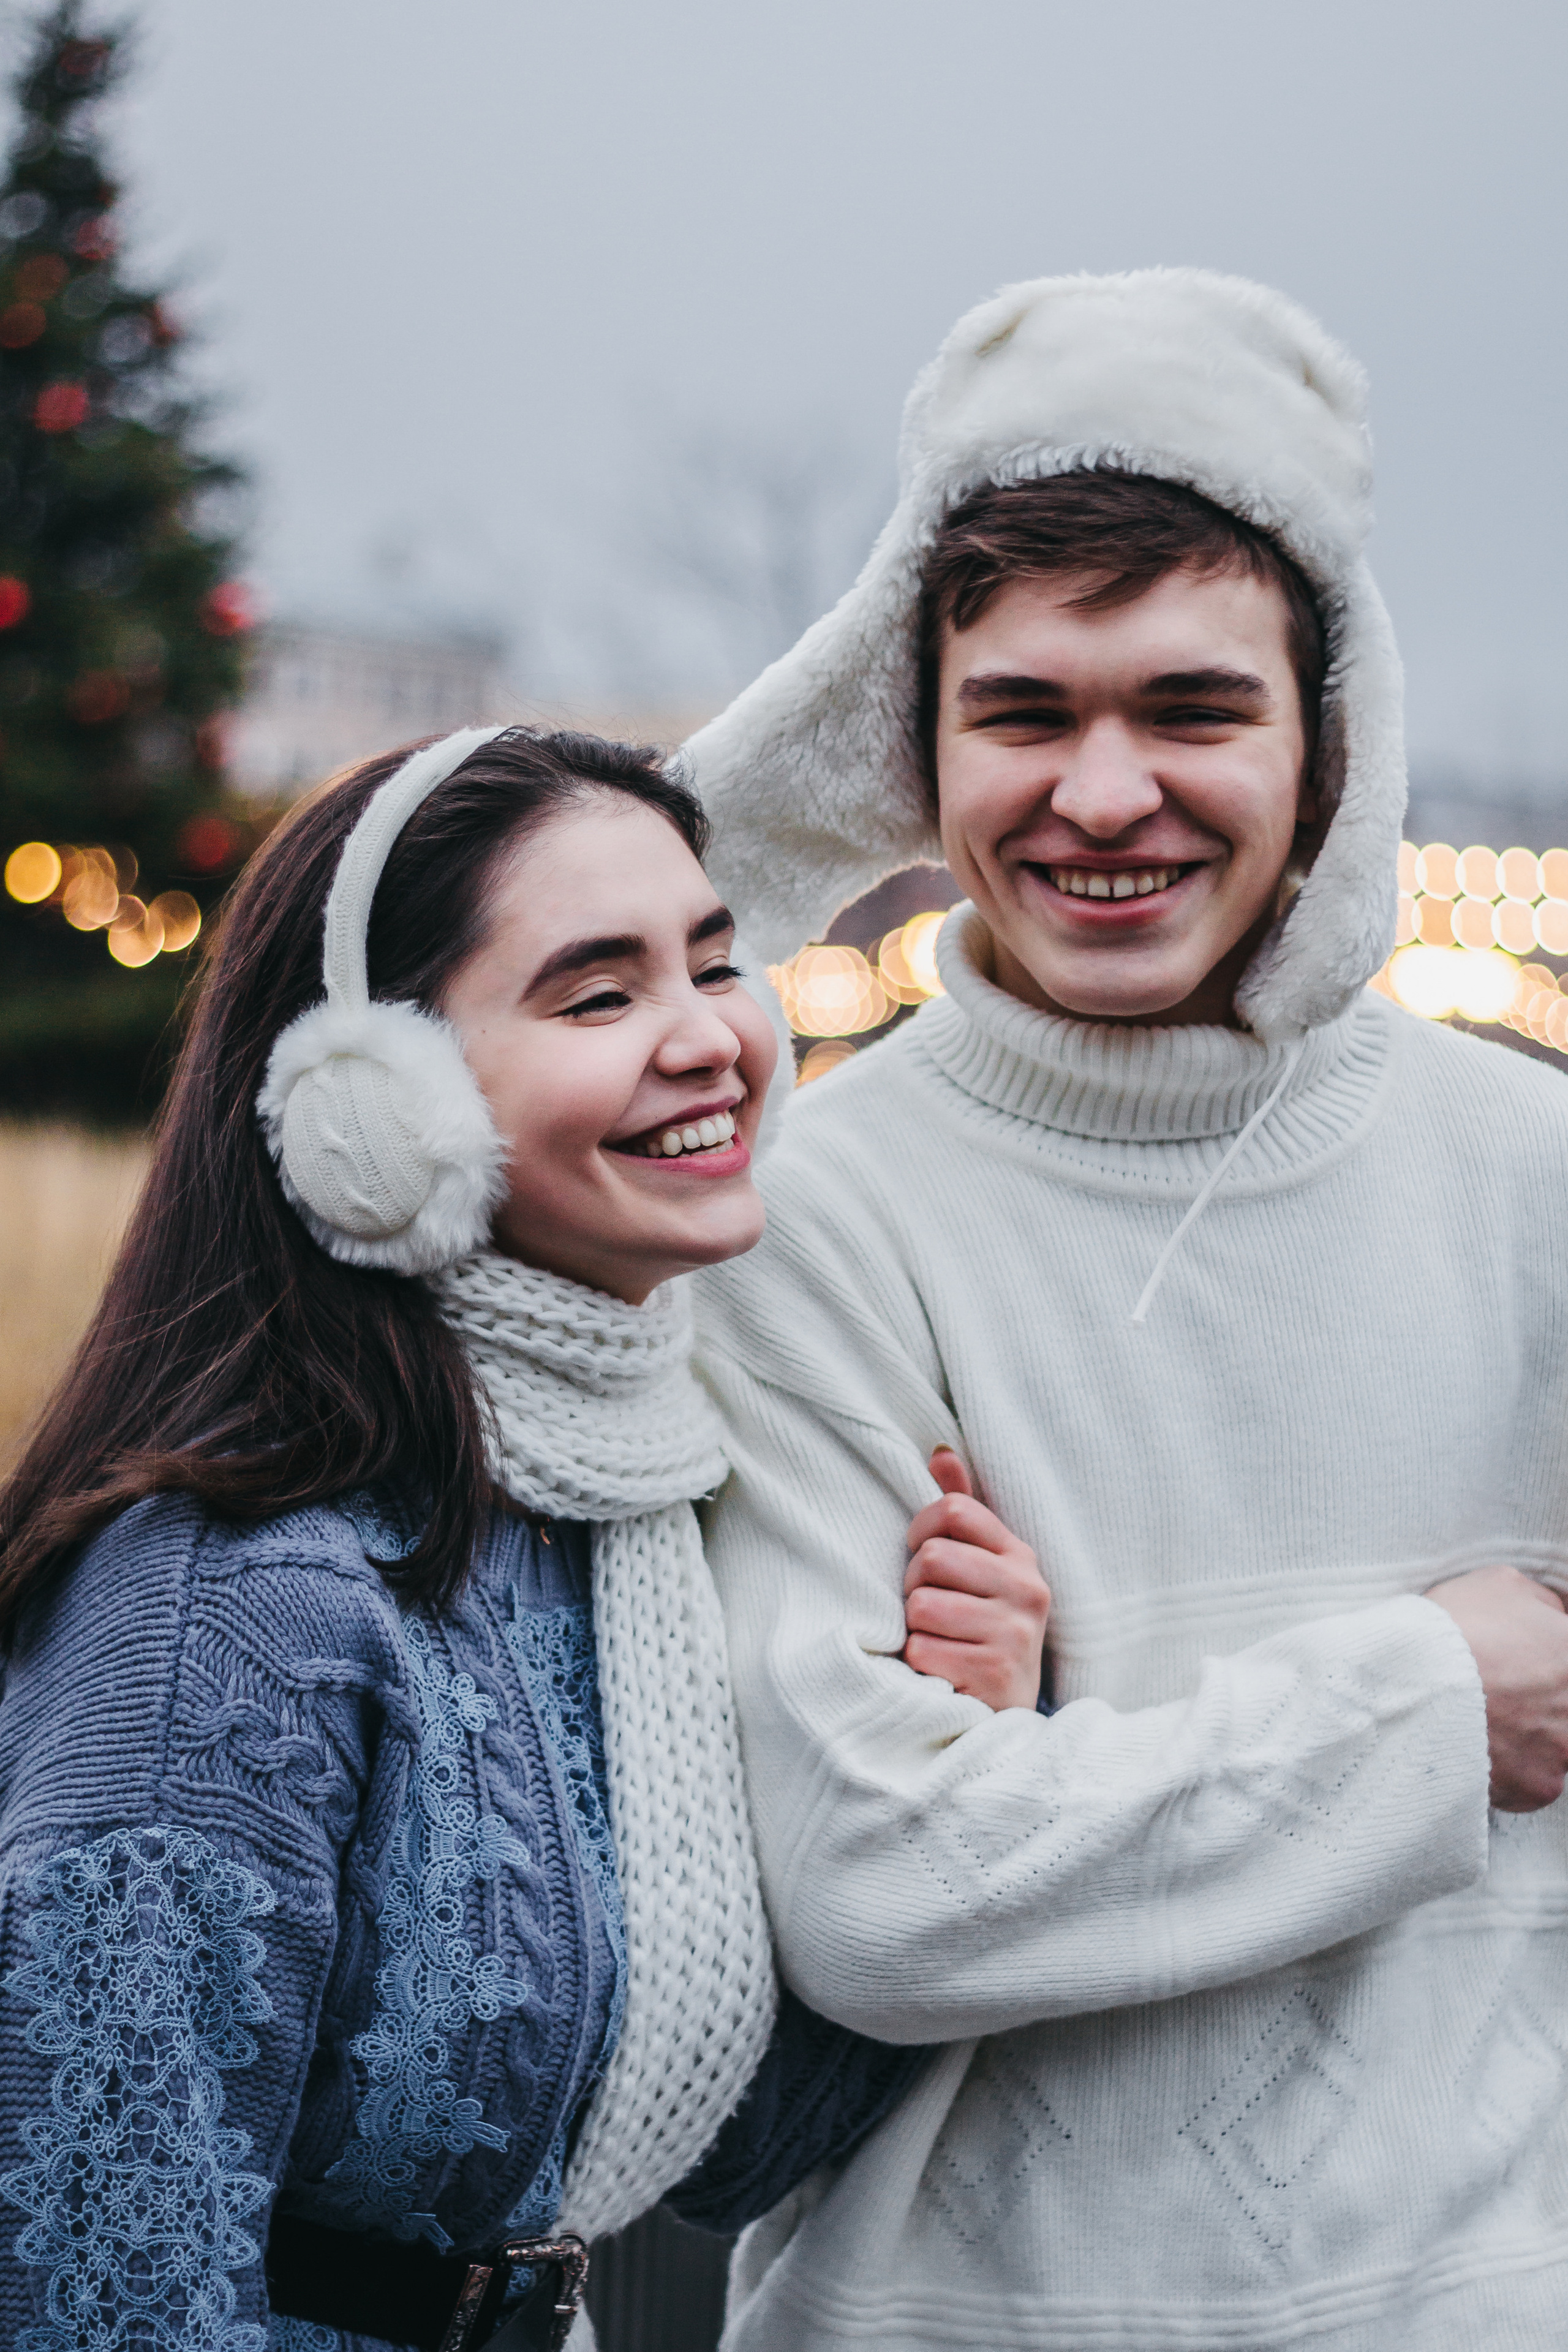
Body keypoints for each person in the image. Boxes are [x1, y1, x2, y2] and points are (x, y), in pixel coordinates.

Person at [687, 269, 1568, 2350]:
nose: (1102, 798)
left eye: (1192, 709)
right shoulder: (804, 1215)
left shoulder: (1533, 1180)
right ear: (918, 741)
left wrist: (1060, 1765)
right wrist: (1439, 1701)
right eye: (1025, 714)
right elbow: (879, 1893)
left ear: (1326, 740)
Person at [0, 726, 1049, 2352]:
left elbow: (719, 2147)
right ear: (377, 1109)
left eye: (713, 964)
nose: (710, 1038)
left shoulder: (630, 1529)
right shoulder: (227, 1599)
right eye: (598, 993)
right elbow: (96, 2267)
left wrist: (961, 1742)